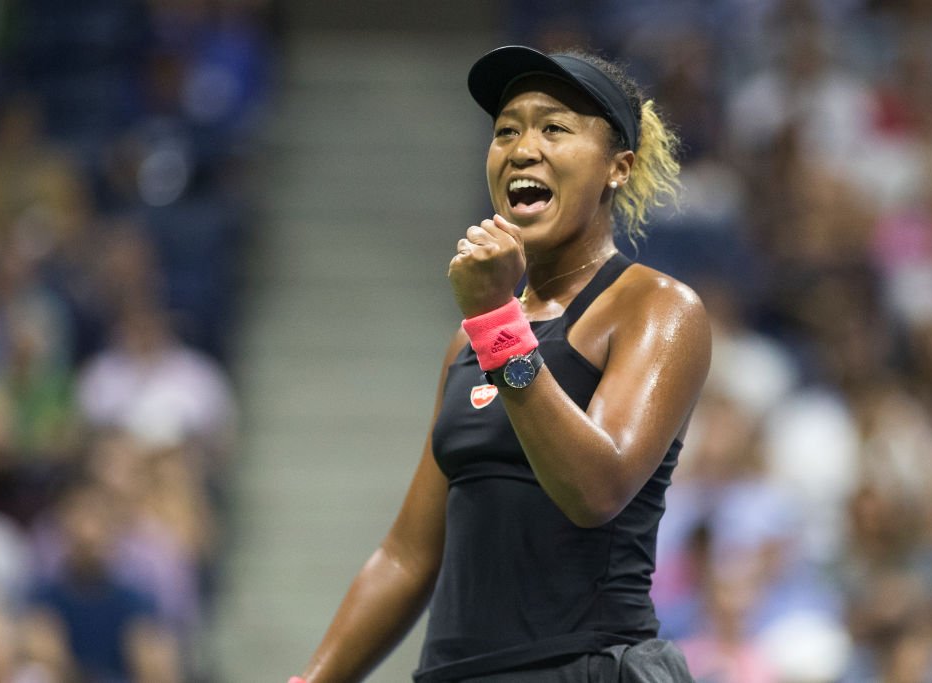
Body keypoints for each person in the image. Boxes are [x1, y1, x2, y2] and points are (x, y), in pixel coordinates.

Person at [290, 45, 711, 682]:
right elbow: (407, 556)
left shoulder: (659, 309)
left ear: (617, 168)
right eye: (506, 129)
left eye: (554, 127)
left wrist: (498, 324)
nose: (522, 147)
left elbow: (595, 490)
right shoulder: (468, 345)